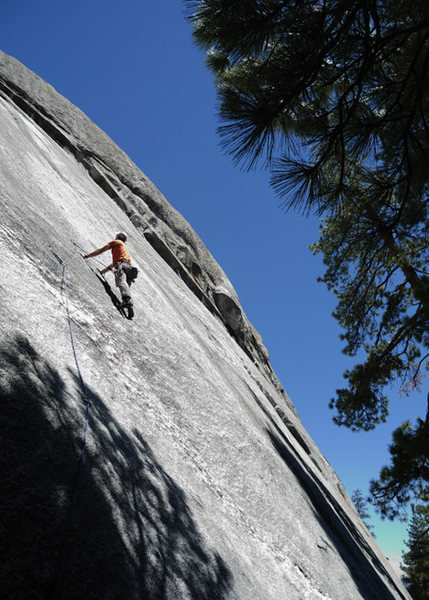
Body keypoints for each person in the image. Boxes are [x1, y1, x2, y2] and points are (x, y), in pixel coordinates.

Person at [82, 232, 134, 309]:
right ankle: (130, 305)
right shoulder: (124, 248)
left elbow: (100, 250)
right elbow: (114, 264)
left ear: (118, 236)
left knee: (121, 282)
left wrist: (86, 256)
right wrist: (103, 272)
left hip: (122, 266)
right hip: (130, 269)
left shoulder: (116, 242)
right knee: (126, 286)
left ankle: (127, 300)